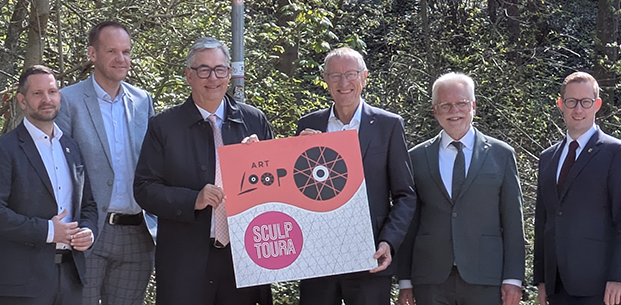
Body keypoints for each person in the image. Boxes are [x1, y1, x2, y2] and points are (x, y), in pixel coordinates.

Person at [134, 37, 274, 305]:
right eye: (203, 70)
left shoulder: (253, 120)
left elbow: (275, 188)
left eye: (220, 69)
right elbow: (144, 189)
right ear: (189, 75)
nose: (213, 78)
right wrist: (192, 200)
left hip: (242, 260)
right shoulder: (164, 126)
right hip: (186, 262)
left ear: (229, 74)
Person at [296, 47, 416, 305]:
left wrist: (388, 242)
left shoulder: (389, 125)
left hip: (370, 257)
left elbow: (405, 195)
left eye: (351, 74)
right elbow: (295, 190)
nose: (343, 83)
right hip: (318, 259)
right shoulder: (308, 126)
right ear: (325, 80)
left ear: (364, 77)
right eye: (335, 75)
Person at [397, 72, 525, 305]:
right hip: (430, 278)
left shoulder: (501, 154)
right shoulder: (416, 158)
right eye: (445, 105)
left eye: (461, 103)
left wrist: (514, 278)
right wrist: (405, 281)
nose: (454, 111)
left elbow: (513, 221)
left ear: (473, 106)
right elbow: (409, 222)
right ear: (435, 111)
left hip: (485, 277)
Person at [0, 65, 97, 304]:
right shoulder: (4, 149)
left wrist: (89, 231)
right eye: (37, 93)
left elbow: (89, 204)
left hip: (72, 276)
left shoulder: (71, 147)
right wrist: (48, 231)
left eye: (52, 92)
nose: (47, 99)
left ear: (59, 96)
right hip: (23, 281)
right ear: (22, 100)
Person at [55, 21, 156, 305]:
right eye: (112, 51)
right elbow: (59, 169)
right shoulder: (68, 100)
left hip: (137, 232)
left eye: (126, 51)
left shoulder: (142, 100)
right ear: (92, 54)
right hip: (88, 230)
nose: (121, 59)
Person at [534, 71, 621, 305]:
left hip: (600, 286)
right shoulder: (548, 157)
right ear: (561, 104)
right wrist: (542, 280)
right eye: (571, 102)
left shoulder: (617, 154)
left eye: (586, 102)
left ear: (597, 105)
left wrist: (619, 278)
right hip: (556, 285)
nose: (578, 109)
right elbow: (543, 222)